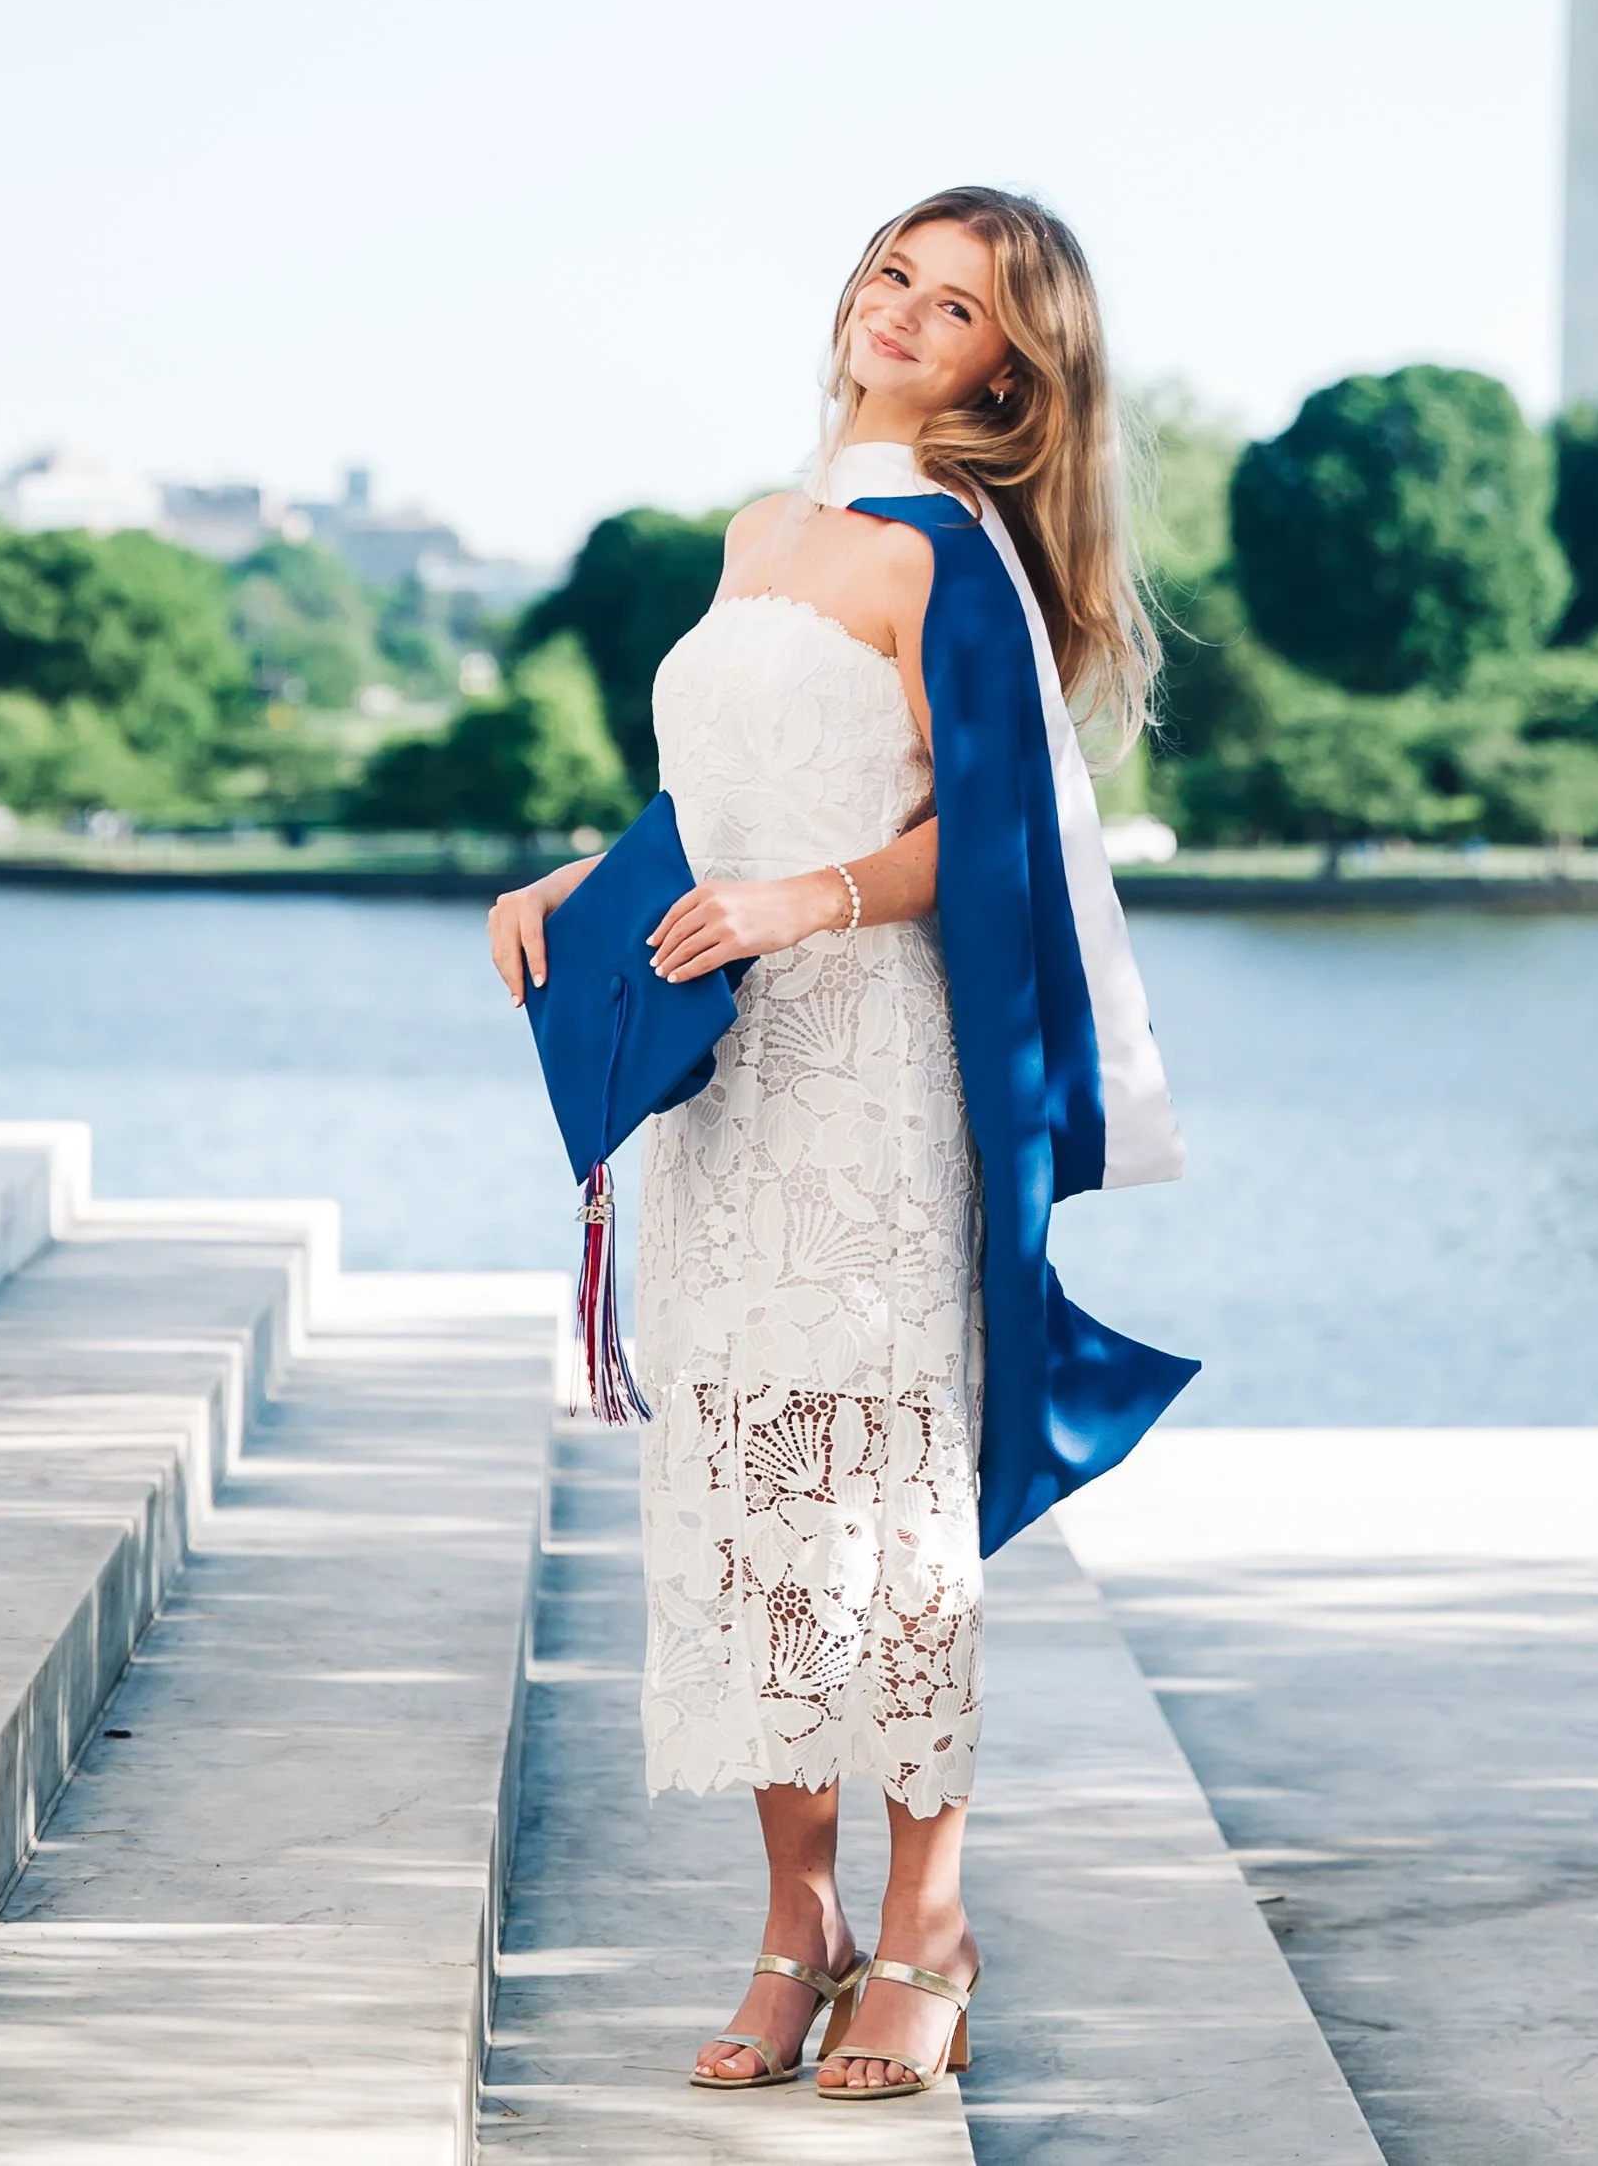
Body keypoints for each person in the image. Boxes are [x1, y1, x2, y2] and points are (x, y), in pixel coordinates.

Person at [488, 186, 1186, 2102]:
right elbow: (712, 796)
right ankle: (798, 1925)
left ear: (1009, 372)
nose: (901, 312)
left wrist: (812, 902)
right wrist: (590, 875)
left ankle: (930, 1924)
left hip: (875, 1084)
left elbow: (1002, 840)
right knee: (743, 1504)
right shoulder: (761, 532)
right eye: (893, 272)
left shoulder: (955, 558)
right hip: (726, 1099)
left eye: (955, 305)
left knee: (876, 1516)